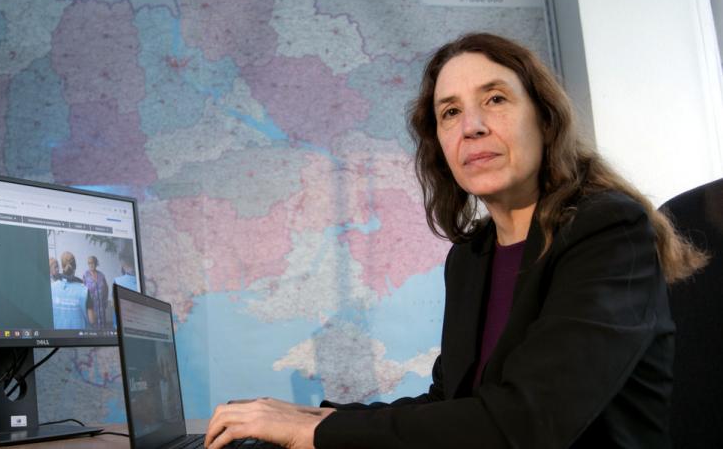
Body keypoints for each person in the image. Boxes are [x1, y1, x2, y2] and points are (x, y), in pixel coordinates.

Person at [204, 33, 707, 449]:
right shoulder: (471, 257)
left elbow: (527, 423)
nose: (473, 126)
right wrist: (306, 416)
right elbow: (451, 406)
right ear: (440, 145)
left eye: (495, 99)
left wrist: (319, 432)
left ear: (544, 118)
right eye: (450, 112)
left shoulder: (607, 232)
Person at [50, 251, 88, 330]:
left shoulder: (60, 280)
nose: (57, 270)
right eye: (55, 267)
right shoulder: (51, 286)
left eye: (58, 267)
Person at [83, 255, 110, 329]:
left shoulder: (101, 275)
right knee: (93, 328)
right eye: (89, 263)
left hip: (101, 307)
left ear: (95, 263)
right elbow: (83, 291)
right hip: (92, 307)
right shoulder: (86, 275)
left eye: (92, 263)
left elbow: (106, 288)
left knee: (103, 328)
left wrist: (105, 301)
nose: (91, 265)